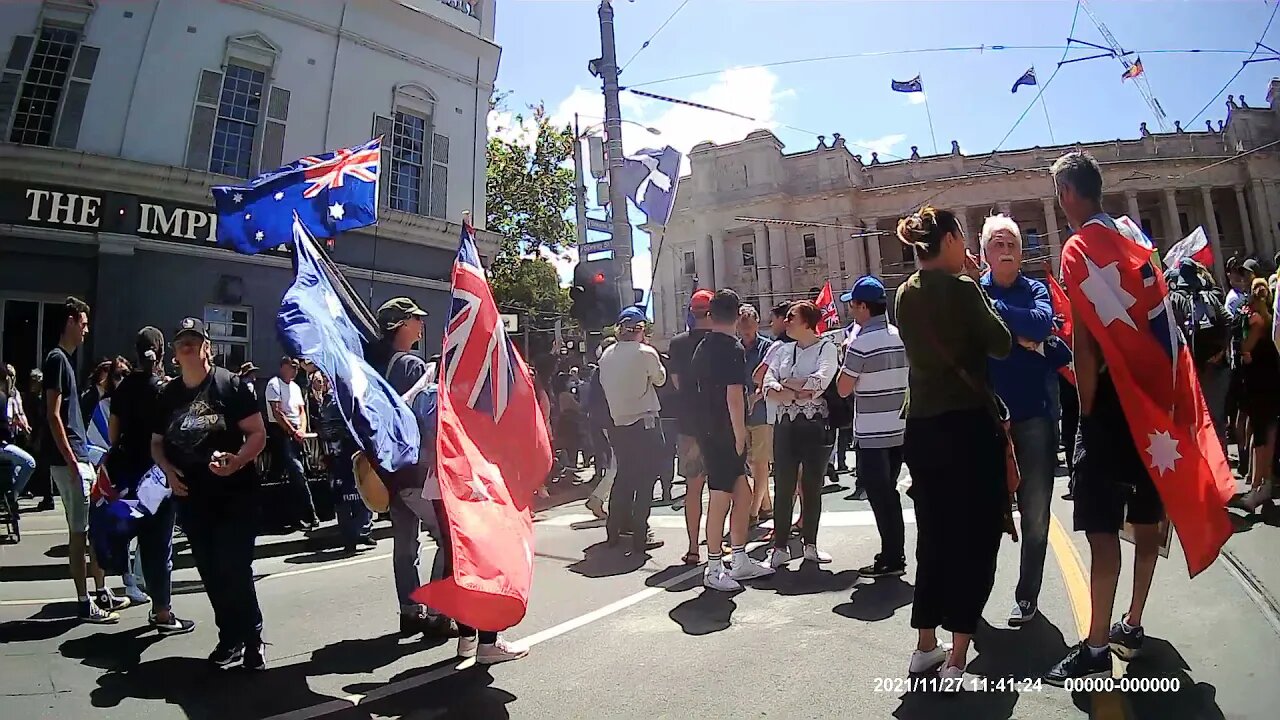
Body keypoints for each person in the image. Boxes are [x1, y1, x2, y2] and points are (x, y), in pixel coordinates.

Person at [1044, 151, 1167, 684]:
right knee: (1146, 520)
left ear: (1069, 194)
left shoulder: (1079, 248)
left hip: (1111, 405)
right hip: (1154, 403)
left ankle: (1095, 647)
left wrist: (1088, 409)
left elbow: (1087, 338)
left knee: (1099, 528)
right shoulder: (1136, 241)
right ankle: (1133, 621)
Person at [895, 206, 1012, 687]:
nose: (966, 246)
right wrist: (978, 287)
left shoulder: (903, 294)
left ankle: (926, 646)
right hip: (967, 424)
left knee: (935, 535)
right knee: (976, 538)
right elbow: (1001, 343)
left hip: (921, 426)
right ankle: (958, 657)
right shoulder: (964, 288)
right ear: (946, 241)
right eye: (961, 237)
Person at [373, 297, 527, 662]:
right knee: (455, 544)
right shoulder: (412, 367)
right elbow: (426, 419)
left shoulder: (375, 363)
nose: (421, 325)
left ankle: (413, 612)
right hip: (427, 470)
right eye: (415, 319)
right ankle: (445, 616)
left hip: (391, 470)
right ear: (401, 324)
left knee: (406, 545)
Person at [151, 317, 266, 667]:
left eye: (194, 340)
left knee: (235, 567)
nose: (187, 345)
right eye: (181, 341)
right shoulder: (167, 395)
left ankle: (253, 639)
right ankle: (228, 637)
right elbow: (156, 444)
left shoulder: (229, 385)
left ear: (206, 348)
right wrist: (168, 472)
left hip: (235, 496)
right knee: (211, 571)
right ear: (174, 353)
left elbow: (258, 434)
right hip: (191, 498)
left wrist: (238, 460)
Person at [977, 215, 1074, 627]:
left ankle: (1027, 595)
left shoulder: (1034, 288)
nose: (1006, 248)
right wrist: (1019, 337)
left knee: (1035, 512)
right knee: (981, 513)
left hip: (1034, 413)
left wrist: (996, 315)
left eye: (1012, 242)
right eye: (997, 242)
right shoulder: (971, 292)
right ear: (984, 253)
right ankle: (974, 598)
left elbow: (1039, 323)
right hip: (986, 418)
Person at [107, 327, 196, 634]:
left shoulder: (122, 388)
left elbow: (113, 435)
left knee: (131, 532)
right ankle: (162, 611)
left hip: (128, 476)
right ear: (160, 353)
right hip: (157, 477)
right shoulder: (165, 390)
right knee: (159, 546)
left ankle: (122, 581)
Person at [44, 297, 126, 623]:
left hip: (78, 457)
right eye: (84, 323)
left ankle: (100, 592)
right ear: (71, 321)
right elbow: (53, 415)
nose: (86, 330)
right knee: (79, 532)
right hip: (71, 461)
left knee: (92, 529)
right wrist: (73, 462)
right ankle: (84, 601)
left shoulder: (64, 360)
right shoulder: (57, 360)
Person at [693, 289, 777, 590]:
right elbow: (734, 396)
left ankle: (738, 558)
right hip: (724, 432)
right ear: (736, 315)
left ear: (711, 314)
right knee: (720, 498)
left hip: (708, 429)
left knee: (743, 493)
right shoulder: (732, 348)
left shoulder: (703, 347)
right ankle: (714, 565)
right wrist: (740, 434)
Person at [836, 276, 910, 578]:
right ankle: (894, 552)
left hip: (871, 432)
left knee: (881, 496)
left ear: (864, 307)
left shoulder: (860, 343)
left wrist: (845, 353)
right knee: (889, 492)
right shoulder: (899, 335)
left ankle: (892, 556)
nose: (851, 311)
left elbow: (843, 388)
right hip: (900, 428)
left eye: (853, 305)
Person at [762, 300, 840, 568]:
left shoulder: (826, 348)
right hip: (785, 425)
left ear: (807, 321)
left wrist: (789, 389)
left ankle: (811, 544)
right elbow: (767, 383)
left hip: (814, 425)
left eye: (792, 317)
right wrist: (794, 391)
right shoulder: (783, 350)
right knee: (783, 485)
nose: (786, 321)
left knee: (812, 486)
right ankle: (780, 546)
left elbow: (821, 380)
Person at [597, 306, 667, 554]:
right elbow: (660, 379)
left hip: (619, 422)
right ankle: (640, 532)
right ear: (639, 330)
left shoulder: (605, 356)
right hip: (644, 422)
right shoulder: (645, 353)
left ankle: (614, 528)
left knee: (624, 476)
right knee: (646, 479)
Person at [667, 289, 715, 564]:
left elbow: (675, 382)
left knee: (693, 489)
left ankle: (693, 547)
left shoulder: (677, 343)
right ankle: (718, 546)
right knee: (721, 489)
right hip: (718, 423)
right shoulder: (723, 342)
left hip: (688, 423)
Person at [1167, 259, 1231, 453]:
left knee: (1193, 420)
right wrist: (1221, 350)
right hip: (1216, 365)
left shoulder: (1175, 299)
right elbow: (1230, 321)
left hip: (1190, 368)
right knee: (1216, 419)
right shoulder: (1211, 296)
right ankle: (1221, 464)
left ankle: (1202, 465)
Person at [1238, 278, 1278, 512]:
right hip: (1271, 382)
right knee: (1268, 434)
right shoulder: (1270, 317)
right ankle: (1266, 483)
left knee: (1261, 436)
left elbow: (1246, 349)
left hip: (1259, 385)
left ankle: (1258, 487)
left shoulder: (1255, 322)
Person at [265, 356, 318, 530]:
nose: (294, 370)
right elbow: (278, 412)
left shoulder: (295, 387)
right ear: (282, 367)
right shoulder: (274, 384)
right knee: (297, 472)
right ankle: (309, 514)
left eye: (296, 367)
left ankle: (301, 515)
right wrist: (293, 431)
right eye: (291, 367)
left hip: (296, 432)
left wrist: (301, 429)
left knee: (299, 474)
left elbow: (302, 411)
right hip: (281, 432)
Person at [737, 304, 775, 523]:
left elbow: (771, 377)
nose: (746, 334)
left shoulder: (767, 348)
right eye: (743, 330)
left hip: (761, 413)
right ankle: (766, 505)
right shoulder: (736, 349)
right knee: (751, 463)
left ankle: (753, 511)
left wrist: (757, 395)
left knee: (760, 462)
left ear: (757, 324)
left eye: (749, 329)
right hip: (741, 414)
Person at [1, 364, 37, 501]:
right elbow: (8, 419)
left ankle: (11, 495)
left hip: (12, 436)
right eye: (7, 376)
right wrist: (14, 422)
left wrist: (25, 426)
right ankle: (11, 496)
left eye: (12, 375)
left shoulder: (14, 393)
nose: (10, 378)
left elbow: (19, 413)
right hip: (4, 440)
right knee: (28, 463)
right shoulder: (2, 397)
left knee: (17, 467)